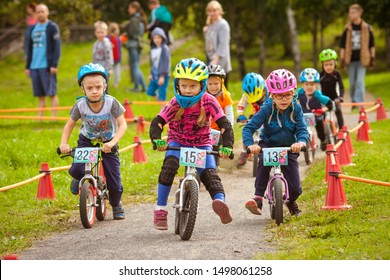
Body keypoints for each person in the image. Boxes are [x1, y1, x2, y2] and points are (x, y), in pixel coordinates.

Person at [149, 58, 234, 230]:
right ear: (177, 84)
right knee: (169, 167)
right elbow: (158, 121)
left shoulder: (209, 101)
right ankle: (160, 209)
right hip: (177, 142)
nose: (188, 91)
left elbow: (225, 124)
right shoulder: (174, 102)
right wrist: (157, 139)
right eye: (184, 86)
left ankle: (220, 203)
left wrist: (227, 146)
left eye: (193, 86)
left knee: (210, 175)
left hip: (202, 144)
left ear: (202, 85)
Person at [59, 63, 127, 220]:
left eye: (98, 86)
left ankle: (116, 204)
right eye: (90, 88)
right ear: (83, 89)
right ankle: (79, 179)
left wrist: (113, 142)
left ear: (105, 86)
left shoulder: (111, 102)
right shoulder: (80, 105)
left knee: (114, 182)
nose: (94, 91)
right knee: (76, 169)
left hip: (109, 140)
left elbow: (123, 125)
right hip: (87, 139)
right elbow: (69, 125)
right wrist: (64, 143)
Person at [243, 69, 308, 216]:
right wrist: (250, 145)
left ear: (293, 92)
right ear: (272, 95)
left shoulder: (296, 108)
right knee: (263, 165)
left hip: (289, 147)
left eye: (288, 94)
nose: (284, 99)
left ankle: (290, 202)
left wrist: (301, 142)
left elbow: (302, 129)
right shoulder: (267, 108)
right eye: (279, 96)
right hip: (268, 144)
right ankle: (258, 198)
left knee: (296, 189)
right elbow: (248, 128)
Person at [25, 3, 60, 118]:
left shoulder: (52, 27)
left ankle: (54, 118)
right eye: (38, 12)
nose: (40, 14)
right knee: (40, 95)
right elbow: (29, 49)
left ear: (47, 12)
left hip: (47, 66)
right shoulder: (32, 28)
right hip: (34, 66)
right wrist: (28, 66)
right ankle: (40, 119)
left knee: (51, 93)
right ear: (35, 14)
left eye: (42, 11)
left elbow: (57, 47)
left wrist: (54, 64)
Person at [339, 3, 375, 109]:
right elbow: (342, 46)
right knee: (353, 83)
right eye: (349, 12)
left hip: (363, 59)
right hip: (350, 59)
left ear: (359, 13)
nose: (350, 14)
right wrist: (341, 59)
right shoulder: (347, 29)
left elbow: (371, 44)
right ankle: (354, 100)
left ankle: (359, 103)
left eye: (353, 12)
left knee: (360, 81)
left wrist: (372, 58)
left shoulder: (367, 27)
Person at [297, 68, 333, 151]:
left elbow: (329, 103)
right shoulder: (300, 93)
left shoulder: (318, 95)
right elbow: (293, 101)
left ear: (316, 84)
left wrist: (323, 110)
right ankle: (301, 142)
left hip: (317, 114)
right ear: (302, 84)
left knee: (319, 126)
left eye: (312, 84)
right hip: (304, 115)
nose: (309, 87)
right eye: (306, 84)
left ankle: (323, 139)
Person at [236, 72, 268, 167]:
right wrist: (241, 115)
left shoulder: (270, 93)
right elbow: (241, 105)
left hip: (268, 114)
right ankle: (244, 151)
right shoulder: (247, 94)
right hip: (254, 114)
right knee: (247, 130)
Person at [207, 64, 234, 165]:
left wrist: (227, 131)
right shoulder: (203, 96)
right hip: (204, 130)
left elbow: (229, 115)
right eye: (210, 84)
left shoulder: (225, 96)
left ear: (221, 83)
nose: (213, 87)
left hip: (218, 131)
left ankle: (213, 168)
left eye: (216, 83)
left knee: (213, 153)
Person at [203, 0, 231, 88]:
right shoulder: (211, 24)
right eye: (210, 11)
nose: (212, 13)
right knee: (211, 86)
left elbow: (223, 43)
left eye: (214, 11)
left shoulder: (223, 25)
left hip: (219, 60)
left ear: (219, 11)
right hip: (210, 58)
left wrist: (216, 59)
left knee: (221, 87)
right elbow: (209, 41)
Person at [125, 1, 147, 92]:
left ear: (134, 9)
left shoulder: (134, 20)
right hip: (138, 44)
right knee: (136, 66)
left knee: (135, 66)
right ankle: (143, 87)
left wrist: (126, 32)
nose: (128, 10)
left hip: (133, 44)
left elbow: (132, 33)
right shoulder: (140, 19)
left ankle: (138, 87)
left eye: (130, 8)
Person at [319, 49, 345, 128]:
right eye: (326, 65)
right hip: (324, 99)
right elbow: (316, 87)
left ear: (335, 63)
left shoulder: (337, 74)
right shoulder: (320, 75)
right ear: (322, 65)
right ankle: (324, 133)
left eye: (331, 64)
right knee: (321, 114)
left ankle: (342, 130)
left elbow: (341, 87)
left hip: (335, 99)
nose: (328, 67)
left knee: (338, 111)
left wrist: (340, 97)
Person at [146, 27, 170, 102]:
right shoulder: (152, 49)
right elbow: (152, 63)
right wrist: (150, 73)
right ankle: (162, 105)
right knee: (150, 91)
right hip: (154, 75)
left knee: (162, 95)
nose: (157, 40)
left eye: (159, 38)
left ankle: (163, 111)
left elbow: (165, 63)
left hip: (163, 76)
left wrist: (162, 76)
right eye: (155, 38)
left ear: (162, 38)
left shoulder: (164, 48)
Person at [108, 22, 122, 88]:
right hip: (117, 58)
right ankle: (116, 83)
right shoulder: (118, 39)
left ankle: (106, 81)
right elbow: (120, 49)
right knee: (117, 70)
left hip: (110, 58)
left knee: (108, 70)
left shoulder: (108, 38)